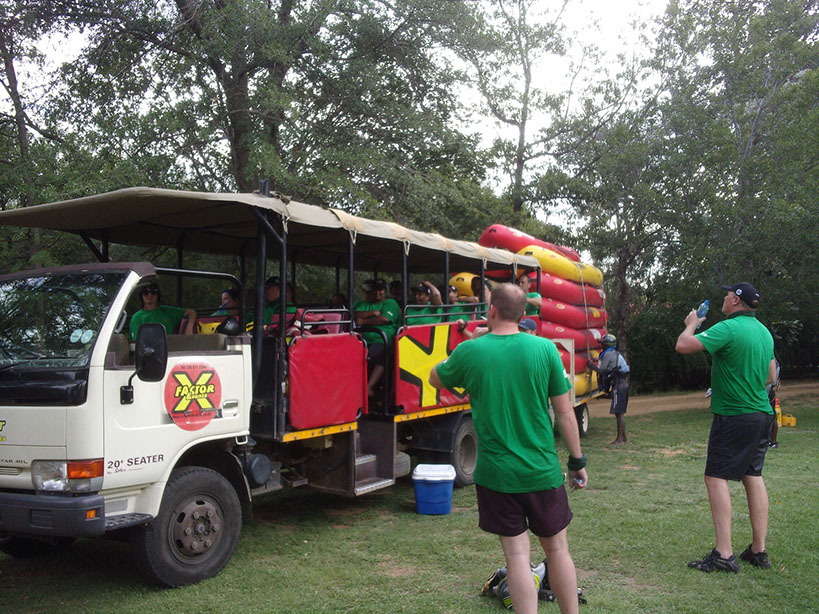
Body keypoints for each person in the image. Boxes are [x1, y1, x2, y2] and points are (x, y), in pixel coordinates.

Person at [429, 284, 588, 614]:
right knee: (558, 550)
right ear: (523, 314)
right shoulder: (545, 349)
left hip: (497, 476)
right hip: (542, 471)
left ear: (491, 311)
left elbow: (434, 378)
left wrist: (466, 346)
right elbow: (564, 413)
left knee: (517, 557)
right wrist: (577, 460)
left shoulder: (471, 351)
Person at [675, 282, 776, 573]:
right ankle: (758, 550)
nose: (724, 296)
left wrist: (692, 324)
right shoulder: (763, 332)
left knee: (715, 477)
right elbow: (770, 375)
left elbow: (683, 345)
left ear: (735, 300)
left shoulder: (728, 328)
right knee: (752, 475)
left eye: (727, 293)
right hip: (762, 414)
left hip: (735, 415)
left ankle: (724, 553)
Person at [353, 279, 401, 397]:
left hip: (382, 339)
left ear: (385, 291)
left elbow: (385, 319)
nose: (377, 293)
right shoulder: (365, 304)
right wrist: (372, 313)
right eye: (375, 290)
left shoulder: (390, 303)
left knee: (373, 355)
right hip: (362, 339)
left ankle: (369, 388)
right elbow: (354, 314)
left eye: (381, 290)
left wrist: (364, 321)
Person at [586, 334, 630, 445]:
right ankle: (623, 437)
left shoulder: (608, 354)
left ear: (607, 345)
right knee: (619, 412)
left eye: (603, 344)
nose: (602, 346)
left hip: (618, 386)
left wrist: (591, 365)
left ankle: (620, 439)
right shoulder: (613, 353)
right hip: (622, 385)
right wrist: (597, 360)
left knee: (618, 413)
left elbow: (601, 371)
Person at [129, 282, 197, 341]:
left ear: (158, 295)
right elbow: (138, 343)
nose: (150, 295)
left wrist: (189, 328)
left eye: (153, 292)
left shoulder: (167, 311)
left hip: (171, 349)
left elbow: (191, 312)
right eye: (146, 292)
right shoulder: (137, 317)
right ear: (141, 295)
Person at [766, 358, 781, 448]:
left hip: (765, 391)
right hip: (767, 391)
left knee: (772, 417)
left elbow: (774, 381)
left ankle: (773, 441)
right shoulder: (774, 361)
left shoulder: (772, 361)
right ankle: (771, 441)